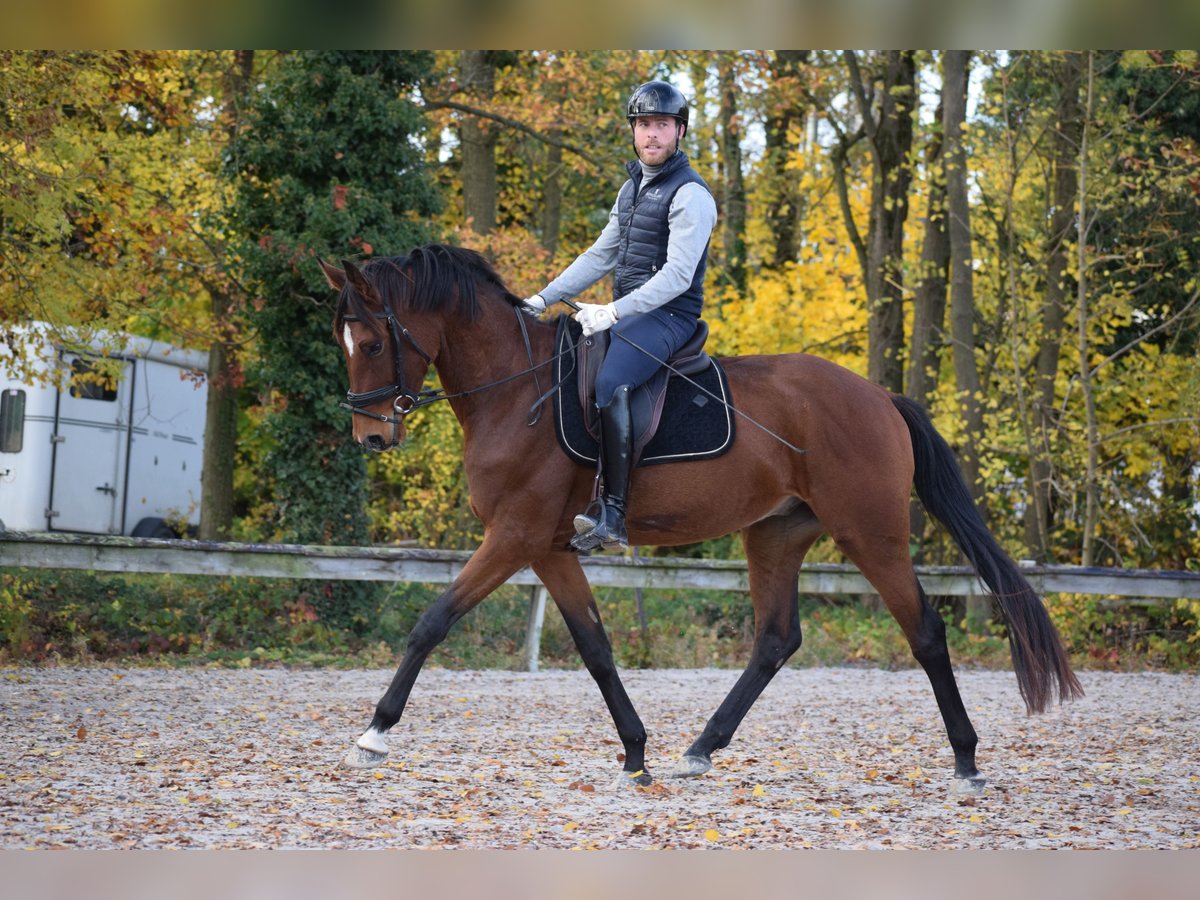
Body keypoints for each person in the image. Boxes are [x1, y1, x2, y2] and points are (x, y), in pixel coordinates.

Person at [525, 79, 718, 552]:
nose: (651, 135)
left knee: (610, 383)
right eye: (643, 125)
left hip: (668, 317)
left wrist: (612, 311)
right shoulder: (630, 190)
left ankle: (612, 513)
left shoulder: (692, 195)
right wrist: (541, 299)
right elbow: (599, 256)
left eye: (662, 126)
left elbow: (676, 276)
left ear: (679, 132)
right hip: (630, 314)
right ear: (634, 132)